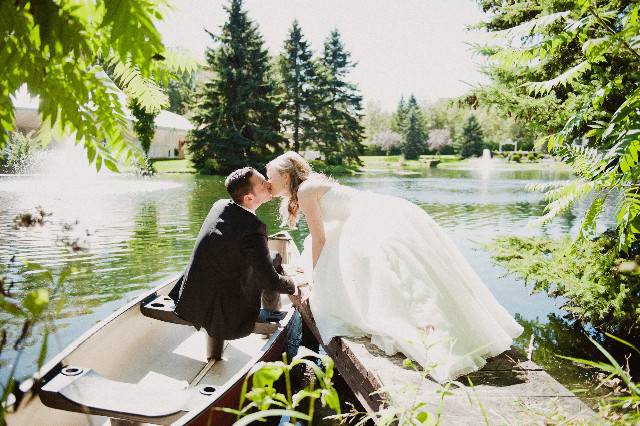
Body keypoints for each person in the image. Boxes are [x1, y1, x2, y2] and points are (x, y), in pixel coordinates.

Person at [266, 151, 524, 382]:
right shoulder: (306, 189)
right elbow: (320, 237)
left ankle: (437, 336)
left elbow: (320, 238)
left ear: (286, 176)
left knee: (398, 279)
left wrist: (314, 276)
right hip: (369, 215)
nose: (268, 181)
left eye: (271, 175)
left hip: (373, 218)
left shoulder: (306, 190)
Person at [171, 167, 304, 359]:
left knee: (273, 257)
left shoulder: (221, 205)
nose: (268, 183)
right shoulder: (253, 228)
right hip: (223, 309)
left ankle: (269, 319)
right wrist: (295, 283)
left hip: (193, 295)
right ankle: (270, 325)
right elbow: (270, 282)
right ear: (249, 198)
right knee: (271, 272)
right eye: (262, 183)